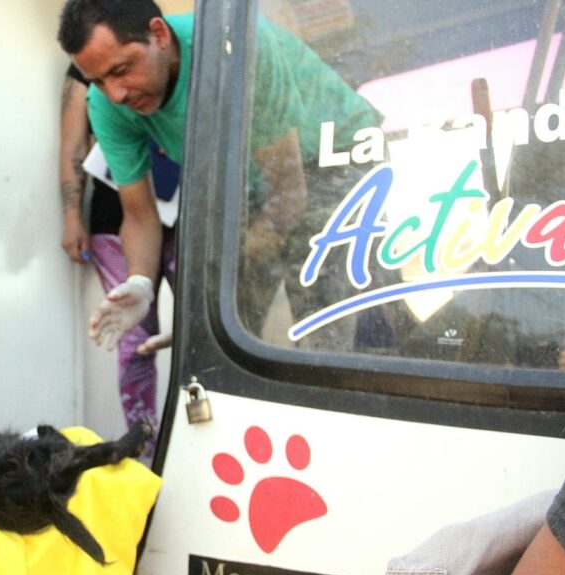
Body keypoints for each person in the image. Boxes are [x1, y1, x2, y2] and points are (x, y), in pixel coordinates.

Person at [57, 0, 382, 349]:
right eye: (99, 81)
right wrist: (140, 283)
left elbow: (287, 198)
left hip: (337, 152)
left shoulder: (236, 51)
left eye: (122, 70)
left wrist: (209, 311)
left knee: (326, 312)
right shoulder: (106, 104)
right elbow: (138, 214)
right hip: (250, 174)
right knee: (226, 317)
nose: (115, 93)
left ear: (159, 34)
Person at [60, 62, 175, 436]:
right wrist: (71, 215)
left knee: (200, 328)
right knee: (134, 337)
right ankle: (144, 446)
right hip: (117, 216)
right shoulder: (84, 69)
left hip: (185, 213)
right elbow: (74, 145)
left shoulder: (167, 56)